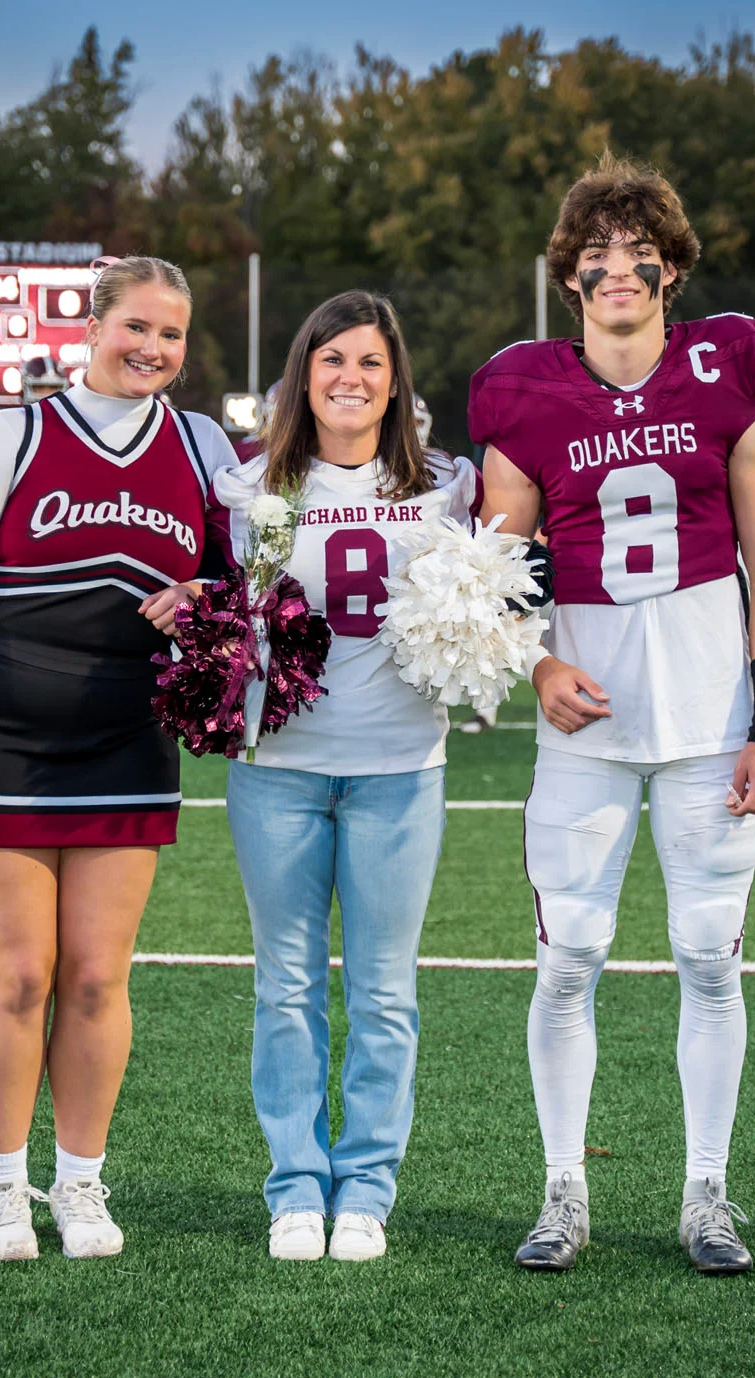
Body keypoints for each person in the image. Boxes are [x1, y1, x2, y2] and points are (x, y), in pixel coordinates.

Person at [470, 153, 755, 1276]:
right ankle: (564, 1190)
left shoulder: (730, 367)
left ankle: (706, 1191)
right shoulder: (522, 388)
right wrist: (532, 667)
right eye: (595, 256)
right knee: (569, 962)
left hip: (712, 720)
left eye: (636, 253)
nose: (618, 270)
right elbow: (490, 567)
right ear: (568, 277)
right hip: (587, 726)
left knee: (711, 960)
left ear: (669, 269)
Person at [0, 255, 236, 1262]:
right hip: (0, 744)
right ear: (91, 327)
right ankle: (2, 1188)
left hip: (126, 742)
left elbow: (236, 590)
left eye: (171, 335)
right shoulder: (8, 436)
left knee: (97, 978)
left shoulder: (202, 443)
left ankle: (81, 1186)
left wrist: (199, 600)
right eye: (134, 326)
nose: (151, 349)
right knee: (18, 975)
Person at [214, 290, 478, 1263]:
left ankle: (365, 1188)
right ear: (302, 376)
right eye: (331, 362)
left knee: (382, 992)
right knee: (283, 988)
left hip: (400, 771)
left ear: (395, 377)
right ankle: (294, 1187)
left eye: (369, 362)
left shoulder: (450, 486)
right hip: (278, 772)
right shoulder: (253, 487)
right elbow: (213, 605)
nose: (350, 379)